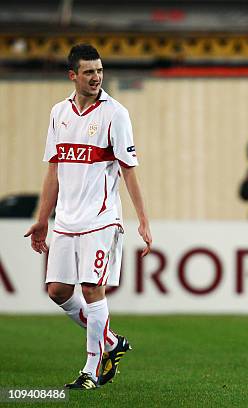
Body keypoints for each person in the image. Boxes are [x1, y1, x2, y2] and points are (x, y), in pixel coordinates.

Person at [24, 44, 152, 390]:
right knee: (58, 291)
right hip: (65, 220)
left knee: (93, 288)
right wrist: (42, 219)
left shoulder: (115, 113)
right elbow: (54, 169)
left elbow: (129, 170)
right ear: (73, 76)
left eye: (99, 71)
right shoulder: (58, 113)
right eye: (89, 72)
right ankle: (110, 341)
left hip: (101, 218)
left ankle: (91, 371)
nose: (96, 78)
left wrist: (142, 219)